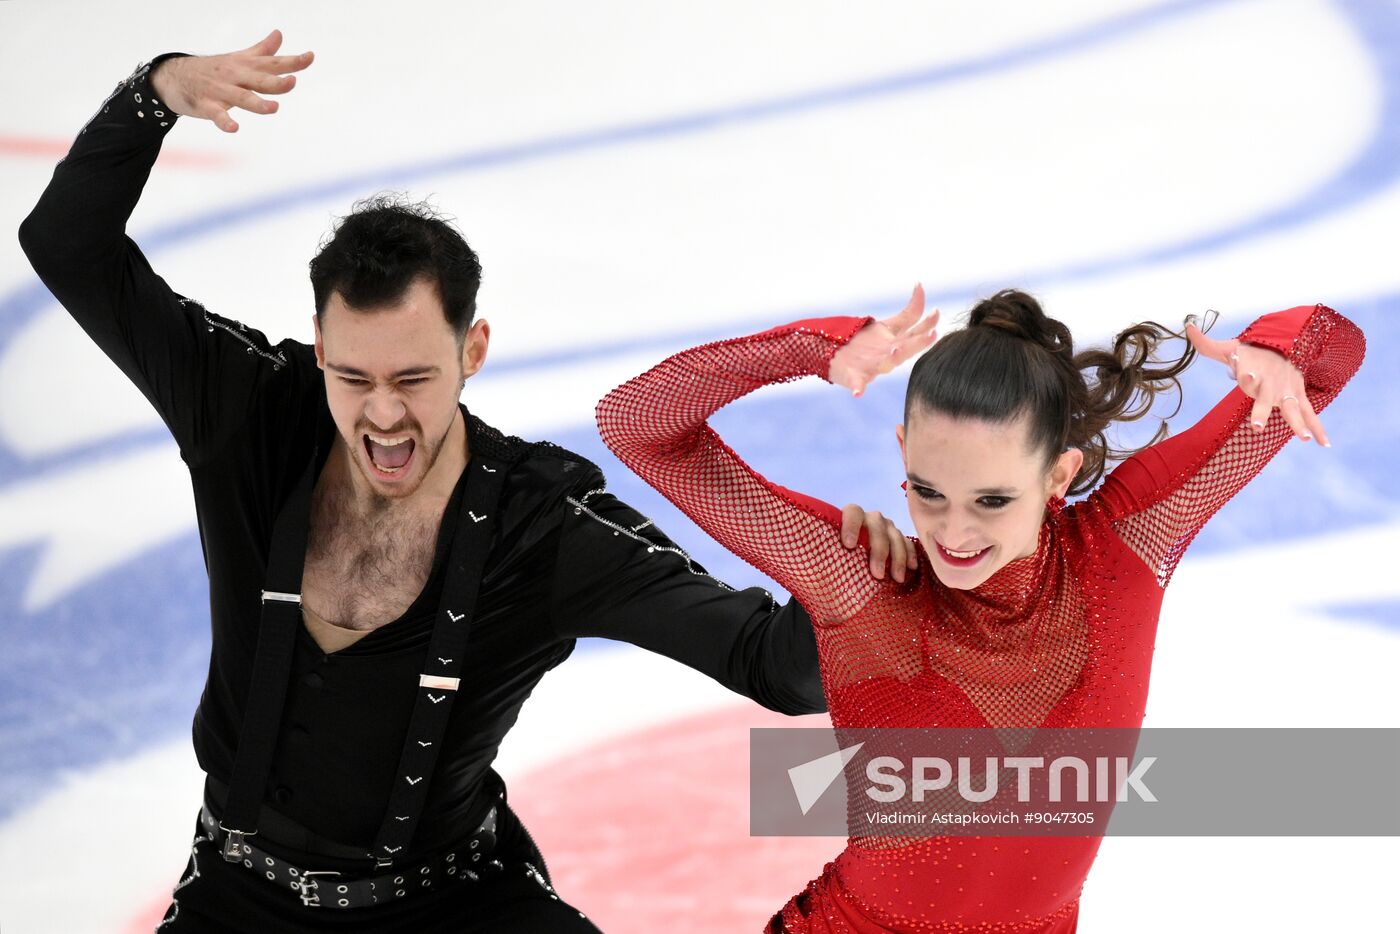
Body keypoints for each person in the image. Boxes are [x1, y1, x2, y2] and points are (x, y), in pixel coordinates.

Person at [17, 31, 915, 932]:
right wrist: (160, 90)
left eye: (414, 380)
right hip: (241, 900)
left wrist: (849, 585)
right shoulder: (248, 411)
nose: (383, 416)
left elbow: (773, 664)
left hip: (454, 902)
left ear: (470, 351)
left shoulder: (541, 523)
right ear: (320, 349)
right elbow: (65, 244)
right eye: (354, 378)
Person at [596, 282, 1365, 931]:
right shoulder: (857, 578)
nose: (953, 533)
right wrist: (806, 347)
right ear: (902, 450)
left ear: (1059, 474)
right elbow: (638, 426)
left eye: (992, 501)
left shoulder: (1127, 544)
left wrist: (1277, 349)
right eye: (928, 492)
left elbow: (1331, 355)